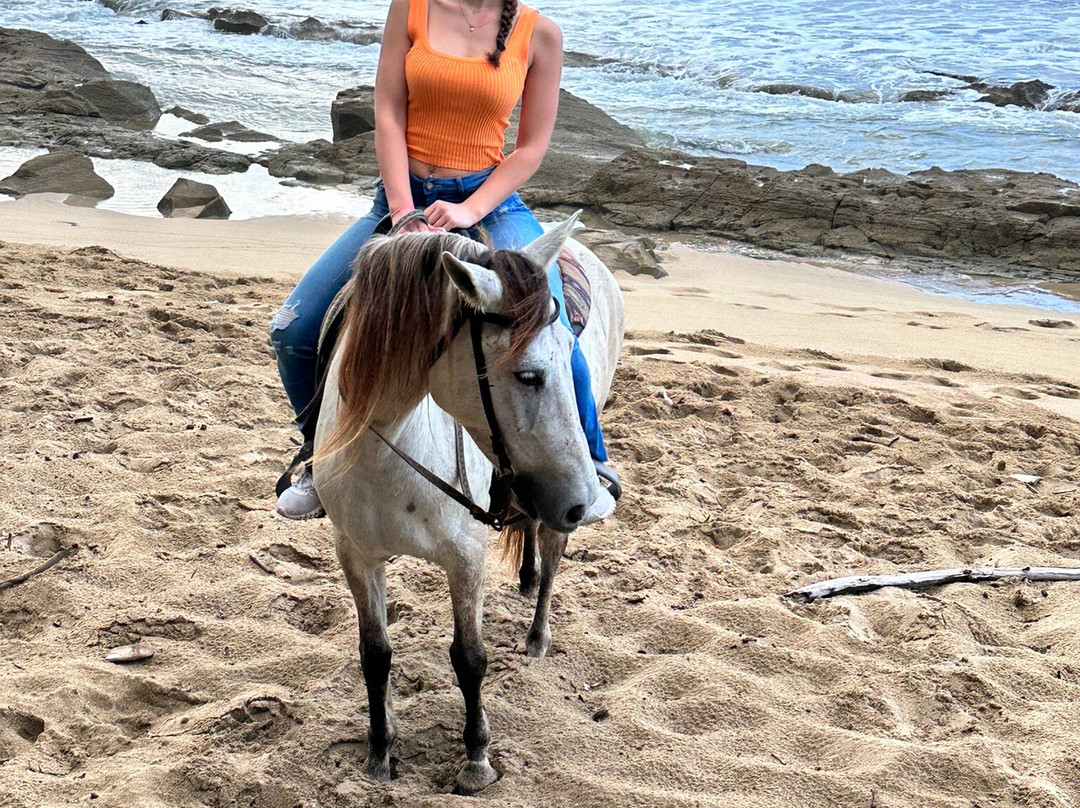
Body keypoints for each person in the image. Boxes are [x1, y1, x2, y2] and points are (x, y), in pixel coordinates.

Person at [270, 0, 618, 521]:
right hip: (399, 198)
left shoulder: (539, 32)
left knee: (555, 328)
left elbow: (531, 147)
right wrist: (402, 210)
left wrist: (468, 209)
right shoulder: (410, 8)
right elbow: (388, 111)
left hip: (488, 199)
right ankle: (320, 458)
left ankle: (593, 463)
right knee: (294, 331)